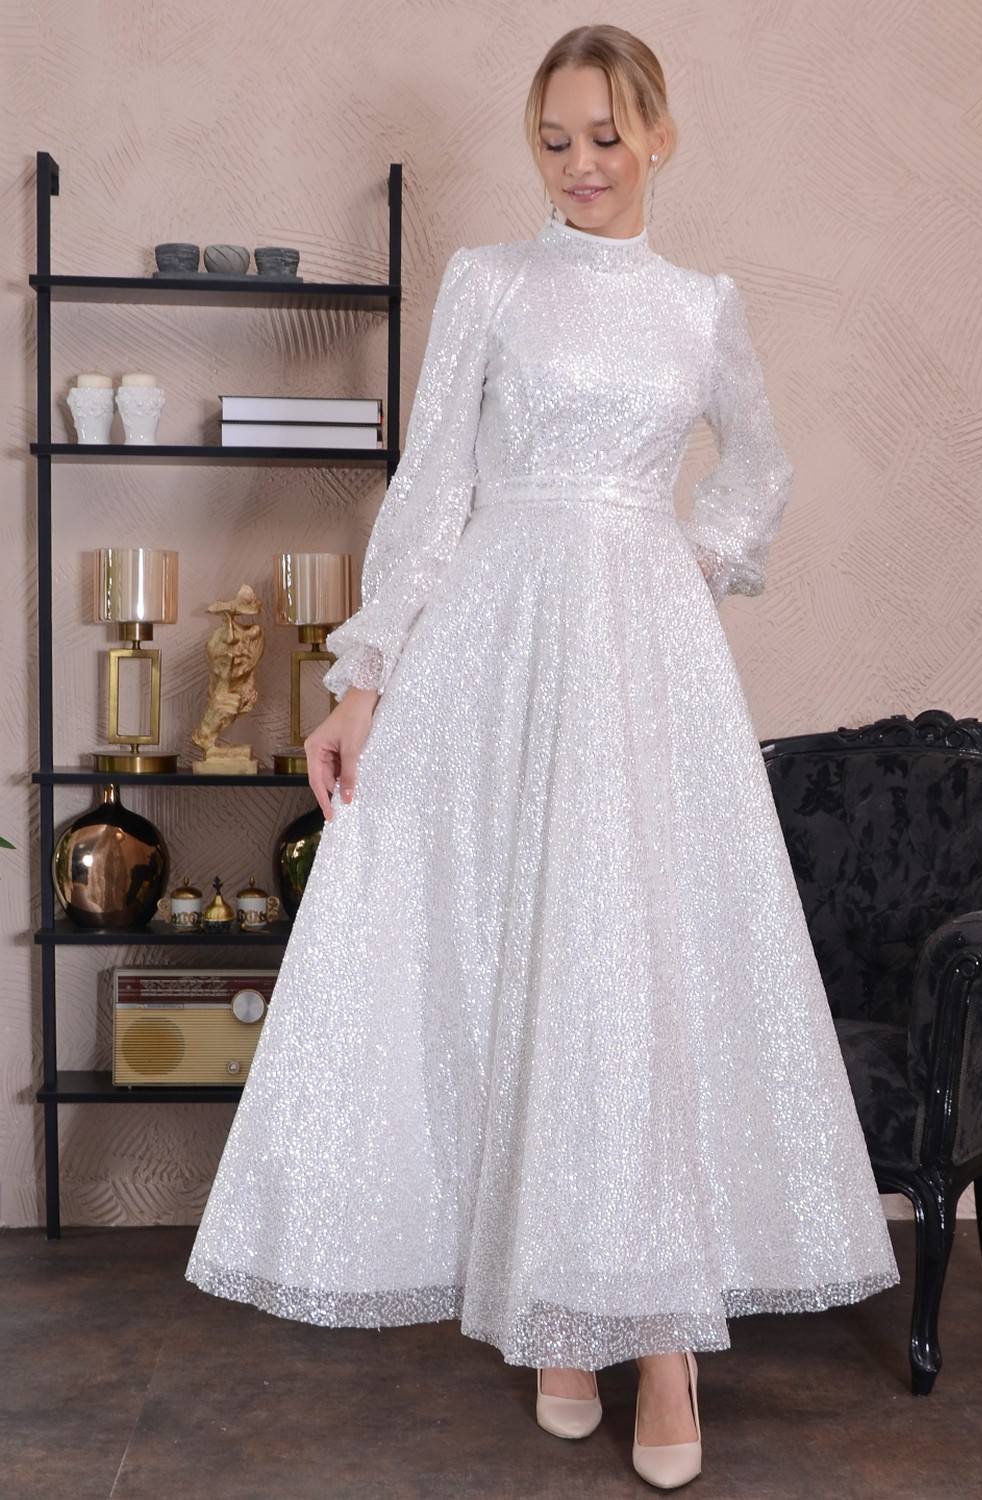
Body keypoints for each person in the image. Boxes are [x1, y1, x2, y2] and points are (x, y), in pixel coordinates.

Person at [185, 23, 899, 1491]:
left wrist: (687, 560)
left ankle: (662, 1339)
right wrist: (363, 682)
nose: (581, 165)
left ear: (660, 137)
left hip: (643, 666)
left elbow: (759, 468)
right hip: (495, 655)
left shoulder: (701, 307)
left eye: (607, 138)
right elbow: (430, 485)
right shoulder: (490, 283)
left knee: (633, 968)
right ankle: (559, 1315)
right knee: (523, 964)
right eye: (556, 141)